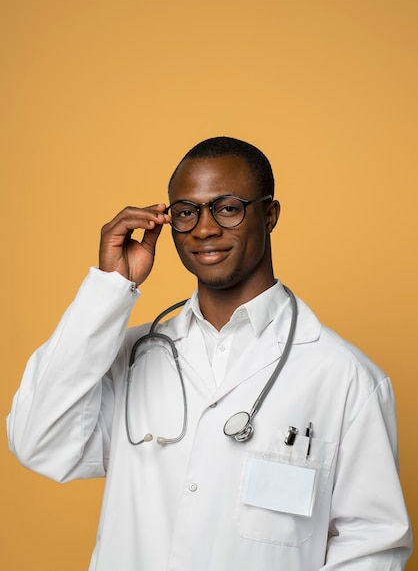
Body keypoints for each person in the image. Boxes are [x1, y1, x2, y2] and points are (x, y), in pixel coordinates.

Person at [7, 137, 412, 570]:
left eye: (228, 207)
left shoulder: (344, 377)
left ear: (270, 215)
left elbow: (371, 546)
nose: (204, 228)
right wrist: (108, 289)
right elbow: (37, 440)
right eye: (186, 212)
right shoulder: (133, 357)